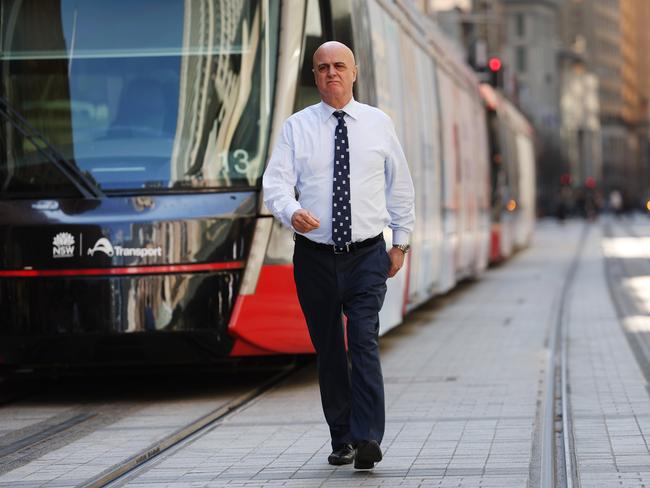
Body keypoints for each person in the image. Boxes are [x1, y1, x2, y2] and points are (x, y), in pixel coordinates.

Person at [262, 41, 415, 470]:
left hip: (367, 253)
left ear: (354, 72)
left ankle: (367, 437)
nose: (332, 73)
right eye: (323, 67)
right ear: (315, 76)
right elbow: (274, 185)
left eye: (339, 66)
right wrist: (292, 212)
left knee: (363, 340)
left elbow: (400, 187)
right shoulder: (297, 127)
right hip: (314, 258)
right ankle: (342, 437)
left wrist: (400, 243)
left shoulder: (378, 124)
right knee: (328, 347)